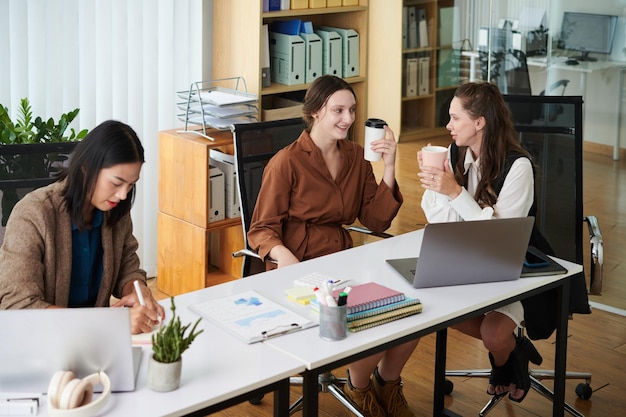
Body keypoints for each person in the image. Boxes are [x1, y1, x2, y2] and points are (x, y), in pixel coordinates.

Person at [247, 75, 418, 417]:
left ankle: (385, 384)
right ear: (314, 112)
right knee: (368, 319)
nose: (348, 119)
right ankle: (361, 389)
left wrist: (388, 168)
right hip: (299, 270)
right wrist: (285, 257)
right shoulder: (286, 162)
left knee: (409, 311)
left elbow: (375, 220)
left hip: (344, 264)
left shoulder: (355, 156)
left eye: (352, 110)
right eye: (338, 110)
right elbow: (262, 229)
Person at [418, 82, 543, 403]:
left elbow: (497, 241)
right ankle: (513, 355)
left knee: (492, 333)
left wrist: (455, 192)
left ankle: (505, 362)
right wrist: (436, 185)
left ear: (479, 122)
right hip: (467, 259)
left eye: (454, 118)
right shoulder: (455, 153)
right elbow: (441, 222)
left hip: (512, 265)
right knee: (430, 306)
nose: (448, 126)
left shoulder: (518, 168)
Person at [0, 120, 165, 334]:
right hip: (44, 340)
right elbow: (18, 306)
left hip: (95, 342)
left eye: (131, 184)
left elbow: (128, 266)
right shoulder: (32, 214)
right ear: (86, 168)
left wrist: (138, 290)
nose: (124, 195)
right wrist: (111, 323)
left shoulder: (115, 209)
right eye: (116, 183)